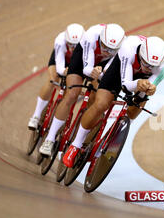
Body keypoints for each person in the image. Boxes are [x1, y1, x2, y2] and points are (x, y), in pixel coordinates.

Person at [62, 35, 164, 167]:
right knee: (101, 104)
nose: (148, 68)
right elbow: (125, 85)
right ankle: (75, 145)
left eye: (153, 66)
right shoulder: (128, 47)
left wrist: (149, 89)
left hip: (143, 80)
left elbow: (149, 86)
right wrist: (138, 82)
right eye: (146, 63)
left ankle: (110, 141)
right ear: (140, 55)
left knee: (133, 112)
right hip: (120, 71)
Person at [39, 23, 125, 156]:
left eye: (112, 49)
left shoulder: (124, 49)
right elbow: (86, 68)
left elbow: (111, 69)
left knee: (97, 103)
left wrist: (102, 73)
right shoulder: (91, 35)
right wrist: (94, 72)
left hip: (103, 65)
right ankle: (49, 139)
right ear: (100, 39)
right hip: (83, 58)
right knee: (72, 93)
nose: (107, 51)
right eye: (105, 46)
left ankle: (79, 139)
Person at [28, 23, 85, 130]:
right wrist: (64, 72)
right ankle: (36, 116)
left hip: (76, 64)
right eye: (70, 44)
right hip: (62, 60)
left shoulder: (86, 44)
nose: (72, 48)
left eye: (75, 45)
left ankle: (58, 119)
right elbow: (59, 66)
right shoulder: (60, 40)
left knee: (70, 91)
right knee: (52, 80)